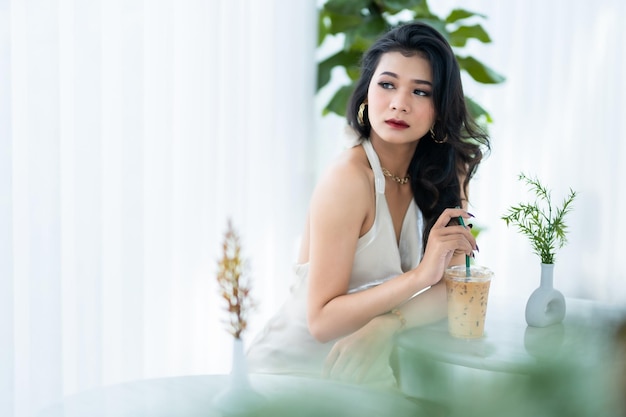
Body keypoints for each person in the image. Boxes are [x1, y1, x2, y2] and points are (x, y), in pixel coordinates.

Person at [246, 21, 489, 388]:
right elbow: (322, 321)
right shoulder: (348, 179)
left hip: (362, 368)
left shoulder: (448, 172)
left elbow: (455, 288)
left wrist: (388, 323)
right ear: (365, 95)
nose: (399, 103)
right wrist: (421, 276)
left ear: (440, 108)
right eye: (387, 84)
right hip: (291, 377)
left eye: (420, 92)